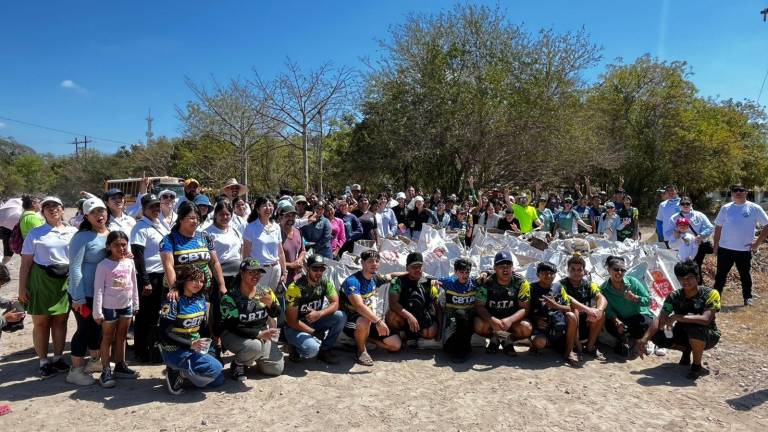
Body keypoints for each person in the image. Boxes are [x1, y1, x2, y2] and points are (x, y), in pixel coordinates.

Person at [18, 196, 75, 378]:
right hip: (41, 281)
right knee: (41, 323)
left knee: (60, 321)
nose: (52, 209)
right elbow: (26, 263)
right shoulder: (35, 233)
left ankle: (58, 358)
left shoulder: (73, 231)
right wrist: (21, 288)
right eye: (48, 207)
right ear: (42, 212)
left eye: (56, 206)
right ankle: (43, 361)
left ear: (62, 209)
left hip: (65, 281)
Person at [650, 260, 720, 379]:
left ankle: (696, 365)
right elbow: (662, 317)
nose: (685, 281)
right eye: (681, 278)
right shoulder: (674, 296)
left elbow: (706, 319)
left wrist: (677, 317)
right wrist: (645, 338)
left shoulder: (711, 294)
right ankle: (686, 351)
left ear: (697, 278)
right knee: (656, 334)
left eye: (689, 278)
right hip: (682, 333)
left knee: (695, 328)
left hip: (707, 334)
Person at [67, 197, 112, 385]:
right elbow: (75, 268)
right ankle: (75, 371)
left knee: (97, 330)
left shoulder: (111, 234)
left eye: (101, 211)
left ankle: (94, 362)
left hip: (102, 292)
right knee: (84, 330)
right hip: (83, 293)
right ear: (86, 216)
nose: (98, 215)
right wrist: (78, 297)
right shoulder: (81, 237)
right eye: (93, 212)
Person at [159, 266, 225, 395]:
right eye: (193, 280)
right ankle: (175, 371)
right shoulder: (172, 301)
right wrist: (190, 344)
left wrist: (210, 348)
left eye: (201, 281)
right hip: (175, 349)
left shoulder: (200, 299)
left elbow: (204, 327)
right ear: (183, 280)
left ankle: (184, 373)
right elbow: (164, 333)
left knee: (218, 379)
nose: (198, 284)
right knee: (215, 368)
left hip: (194, 346)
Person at [220, 258, 283, 380]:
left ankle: (253, 356)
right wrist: (259, 334)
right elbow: (232, 326)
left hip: (261, 335)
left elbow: (277, 313)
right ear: (242, 273)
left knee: (275, 369)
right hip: (234, 335)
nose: (256, 276)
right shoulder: (231, 296)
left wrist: (271, 304)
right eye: (251, 272)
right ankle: (238, 363)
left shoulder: (265, 291)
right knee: (255, 347)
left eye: (258, 273)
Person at [93, 231, 140, 387]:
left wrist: (135, 303)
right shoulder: (103, 265)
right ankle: (106, 370)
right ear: (108, 246)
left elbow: (133, 283)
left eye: (123, 245)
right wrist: (97, 312)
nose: (120, 248)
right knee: (107, 338)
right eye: (116, 245)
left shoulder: (129, 262)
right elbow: (98, 289)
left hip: (126, 306)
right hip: (109, 308)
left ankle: (120, 365)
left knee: (122, 336)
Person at [339, 250, 401, 366]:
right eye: (370, 261)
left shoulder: (375, 278)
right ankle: (361, 350)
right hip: (351, 322)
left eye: (377, 261)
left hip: (370, 320)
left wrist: (414, 273)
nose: (374, 264)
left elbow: (392, 275)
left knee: (395, 345)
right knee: (365, 319)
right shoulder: (353, 281)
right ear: (362, 263)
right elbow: (359, 306)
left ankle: (364, 340)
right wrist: (378, 321)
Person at [712, 184, 768, 306]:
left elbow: (766, 225)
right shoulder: (725, 208)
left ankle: (747, 297)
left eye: (741, 190)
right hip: (725, 248)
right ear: (732, 193)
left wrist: (757, 243)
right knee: (720, 276)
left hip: (744, 249)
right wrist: (716, 245)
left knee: (745, 276)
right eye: (735, 190)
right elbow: (718, 227)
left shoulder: (754, 208)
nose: (738, 192)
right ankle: (715, 299)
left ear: (746, 192)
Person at [130, 193, 169, 363]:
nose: (155, 209)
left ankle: (152, 347)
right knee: (145, 315)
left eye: (157, 206)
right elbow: (138, 256)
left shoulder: (160, 223)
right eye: (151, 206)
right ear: (143, 209)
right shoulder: (140, 227)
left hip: (162, 275)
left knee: (156, 315)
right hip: (149, 277)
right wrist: (145, 281)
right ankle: (141, 350)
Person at [160, 202, 227, 301]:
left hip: (203, 289)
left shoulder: (205, 237)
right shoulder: (169, 239)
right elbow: (168, 265)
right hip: (178, 291)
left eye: (198, 218)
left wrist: (222, 285)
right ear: (181, 218)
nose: (195, 221)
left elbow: (214, 262)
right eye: (191, 218)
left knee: (203, 316)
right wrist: (173, 288)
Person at [284, 255, 345, 363]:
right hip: (296, 327)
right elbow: (291, 321)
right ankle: (293, 346)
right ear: (307, 268)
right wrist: (314, 332)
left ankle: (325, 350)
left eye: (322, 269)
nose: (319, 272)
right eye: (315, 269)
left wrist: (320, 314)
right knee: (312, 350)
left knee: (340, 316)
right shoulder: (295, 288)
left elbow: (335, 302)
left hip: (315, 320)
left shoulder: (325, 282)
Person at [600, 255, 659, 357]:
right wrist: (616, 321)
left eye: (622, 270)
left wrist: (635, 298)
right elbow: (608, 309)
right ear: (609, 270)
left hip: (637, 316)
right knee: (609, 324)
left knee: (642, 324)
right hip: (621, 319)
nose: (619, 273)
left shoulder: (633, 282)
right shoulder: (604, 289)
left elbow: (649, 301)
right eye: (616, 269)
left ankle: (636, 341)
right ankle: (624, 339)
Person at [474, 251, 532, 356]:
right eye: (501, 265)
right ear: (495, 268)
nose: (505, 269)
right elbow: (479, 305)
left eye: (508, 265)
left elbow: (525, 308)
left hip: (512, 321)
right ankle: (494, 338)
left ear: (512, 268)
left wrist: (510, 320)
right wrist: (492, 320)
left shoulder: (521, 282)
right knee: (478, 324)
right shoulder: (487, 281)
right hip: (492, 319)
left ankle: (507, 339)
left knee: (526, 328)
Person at [385, 252, 442, 349]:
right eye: (414, 267)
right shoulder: (397, 281)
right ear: (407, 268)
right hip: (404, 317)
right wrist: (409, 316)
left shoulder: (430, 283)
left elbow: (437, 306)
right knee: (391, 316)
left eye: (419, 266)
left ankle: (415, 336)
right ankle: (403, 336)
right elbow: (393, 303)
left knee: (430, 332)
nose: (417, 269)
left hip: (421, 317)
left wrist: (440, 330)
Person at [528, 261, 580, 365]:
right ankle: (535, 345)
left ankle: (569, 351)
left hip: (558, 327)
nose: (548, 276)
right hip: (541, 328)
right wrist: (536, 319)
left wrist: (555, 305)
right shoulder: (531, 288)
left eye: (551, 273)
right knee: (539, 342)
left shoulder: (559, 288)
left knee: (571, 316)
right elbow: (524, 309)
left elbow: (569, 307)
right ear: (538, 274)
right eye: (544, 273)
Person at [559, 255, 606, 360]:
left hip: (584, 320)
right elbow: (569, 299)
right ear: (568, 270)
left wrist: (598, 310)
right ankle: (575, 347)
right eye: (573, 269)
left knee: (601, 314)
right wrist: (588, 309)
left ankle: (589, 347)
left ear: (584, 271)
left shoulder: (589, 285)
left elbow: (601, 298)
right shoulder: (561, 285)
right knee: (574, 312)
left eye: (579, 270)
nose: (576, 272)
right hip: (567, 321)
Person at [242, 196, 287, 292]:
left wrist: (284, 270)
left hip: (275, 269)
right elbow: (246, 254)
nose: (268, 208)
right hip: (258, 270)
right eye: (264, 206)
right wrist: (246, 272)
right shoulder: (251, 227)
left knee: (270, 299)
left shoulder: (276, 227)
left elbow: (280, 252)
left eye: (270, 205)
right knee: (257, 300)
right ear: (258, 209)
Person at [667, 197, 713, 282]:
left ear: (691, 204)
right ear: (679, 205)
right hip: (681, 247)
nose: (685, 205)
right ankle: (684, 286)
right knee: (683, 268)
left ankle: (698, 286)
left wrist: (701, 236)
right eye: (683, 204)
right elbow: (668, 232)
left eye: (687, 203)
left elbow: (710, 227)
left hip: (698, 245)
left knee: (696, 266)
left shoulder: (699, 215)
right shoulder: (674, 218)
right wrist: (676, 233)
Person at [440, 258, 477, 363]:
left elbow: (491, 274)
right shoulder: (449, 282)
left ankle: (462, 351)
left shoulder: (474, 282)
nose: (465, 275)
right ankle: (465, 348)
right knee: (448, 349)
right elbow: (427, 277)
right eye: (461, 272)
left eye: (467, 272)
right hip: (453, 321)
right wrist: (433, 281)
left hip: (469, 321)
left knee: (461, 314)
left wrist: (484, 273)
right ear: (455, 272)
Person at [279, 205, 306, 282]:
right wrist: (291, 265)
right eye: (287, 216)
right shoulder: (275, 233)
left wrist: (299, 261)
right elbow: (273, 259)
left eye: (293, 216)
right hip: (280, 277)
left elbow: (303, 251)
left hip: (296, 277)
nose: (291, 218)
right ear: (280, 217)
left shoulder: (298, 231)